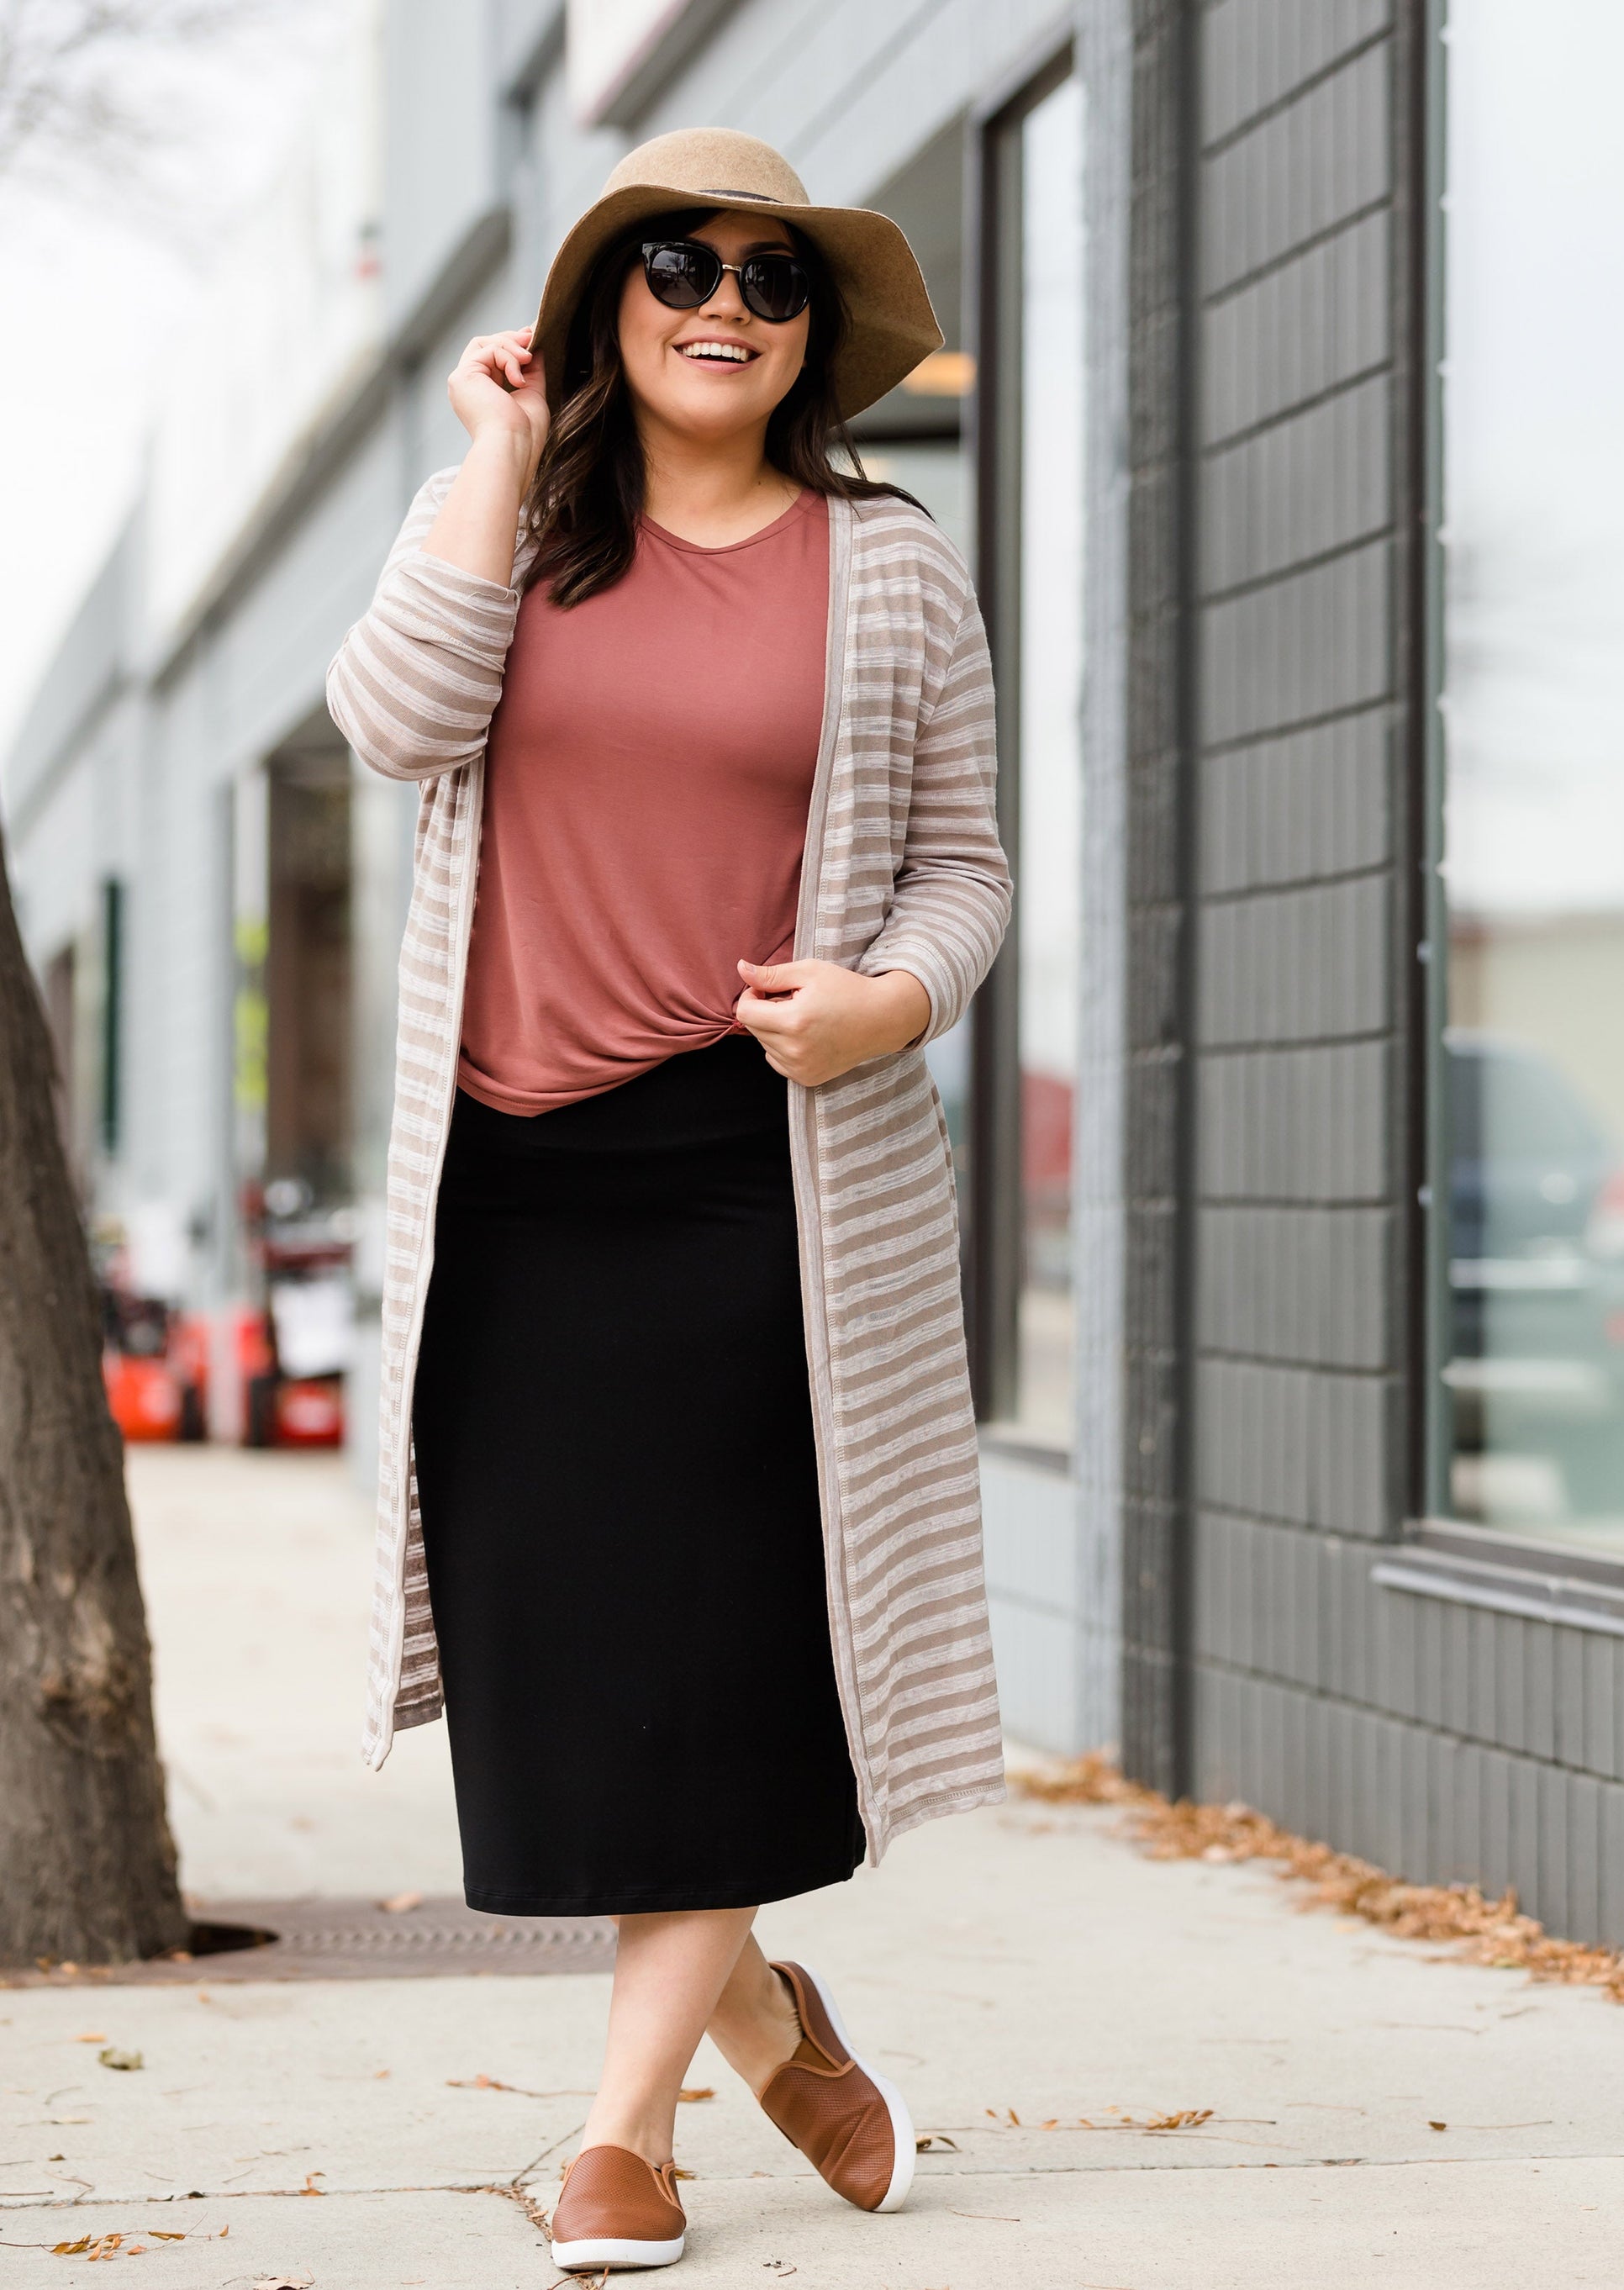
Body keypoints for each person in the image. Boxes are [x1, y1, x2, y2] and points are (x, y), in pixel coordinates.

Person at [327, 126, 1011, 2275]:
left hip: (759, 1171)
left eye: (772, 279)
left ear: (815, 333)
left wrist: (891, 1000)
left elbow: (968, 868)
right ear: (608, 299)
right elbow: (391, 718)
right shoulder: (523, 536)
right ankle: (774, 2021)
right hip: (508, 1190)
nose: (726, 302)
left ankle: (616, 2142)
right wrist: (494, 459)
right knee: (567, 1682)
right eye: (679, 265)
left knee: (718, 1663)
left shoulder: (885, 560)